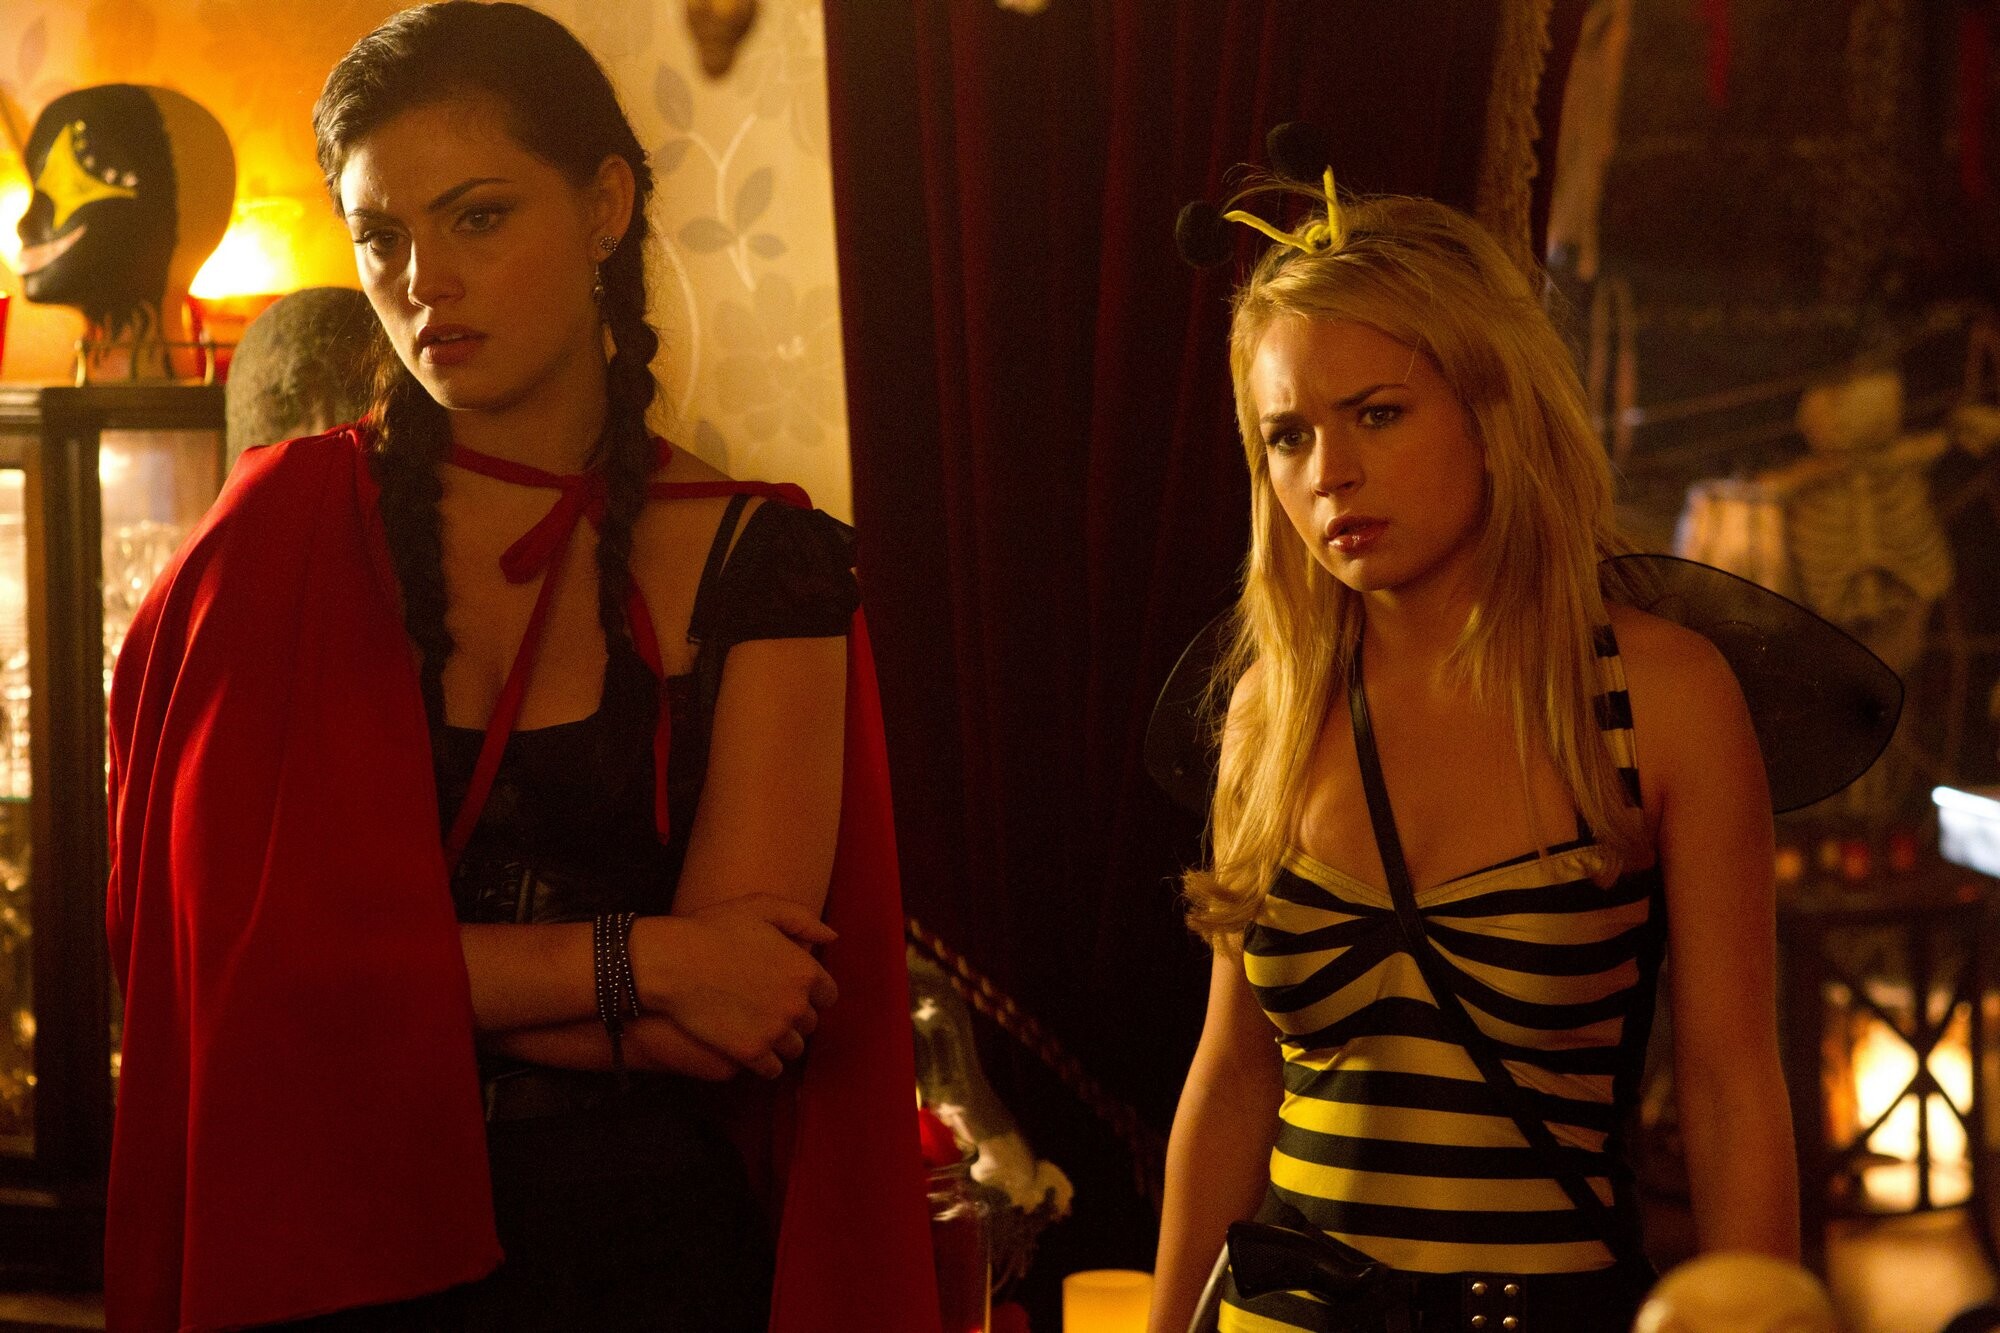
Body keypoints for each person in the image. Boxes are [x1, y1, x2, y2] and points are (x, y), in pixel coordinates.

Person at [103, 5, 936, 1331]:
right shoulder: (268, 542)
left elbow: (744, 1009)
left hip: (652, 1273)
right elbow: (239, 990)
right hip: (334, 1255)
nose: (423, 279)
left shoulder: (766, 560)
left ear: (604, 206)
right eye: (381, 236)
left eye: (478, 217)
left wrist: (391, 988)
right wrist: (645, 961)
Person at [1147, 185, 1799, 1333]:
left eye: (1376, 413)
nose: (1327, 472)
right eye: (1287, 435)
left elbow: (1728, 1086)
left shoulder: (1657, 700)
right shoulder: (1271, 709)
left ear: (1491, 409)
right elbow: (1232, 1076)